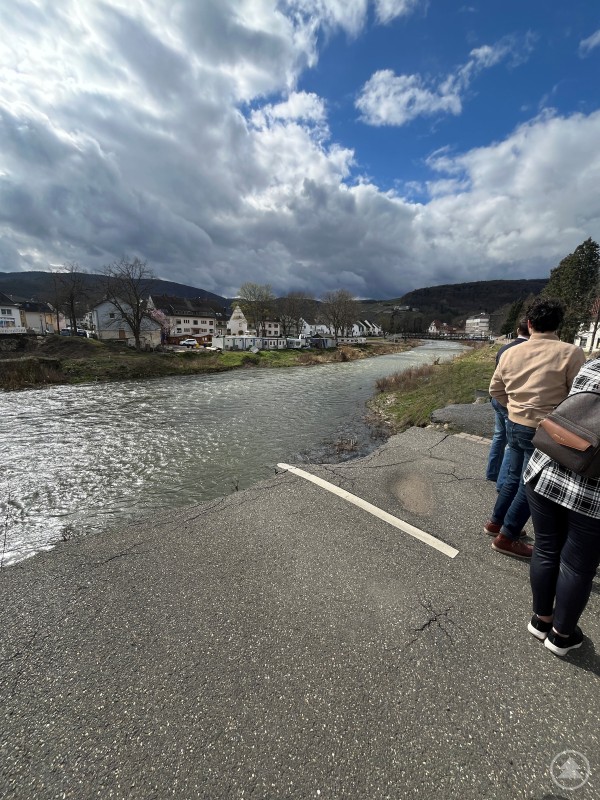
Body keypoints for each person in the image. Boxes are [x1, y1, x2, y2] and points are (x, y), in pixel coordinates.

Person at [483, 298, 585, 560]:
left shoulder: (509, 352)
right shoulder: (571, 353)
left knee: (515, 476)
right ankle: (507, 536)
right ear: (557, 325)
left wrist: (514, 407)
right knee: (533, 486)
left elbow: (495, 390)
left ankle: (496, 522)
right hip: (547, 430)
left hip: (515, 423)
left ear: (529, 324)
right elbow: (578, 396)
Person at [524, 356, 600, 655]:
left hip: (547, 467)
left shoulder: (593, 364)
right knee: (577, 566)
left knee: (546, 547)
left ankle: (541, 620)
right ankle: (561, 635)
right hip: (592, 492)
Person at [486, 319, 530, 491]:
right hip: (511, 401)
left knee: (499, 436)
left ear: (517, 330)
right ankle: (503, 483)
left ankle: (492, 473)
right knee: (513, 444)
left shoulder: (504, 348)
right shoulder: (527, 351)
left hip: (498, 398)